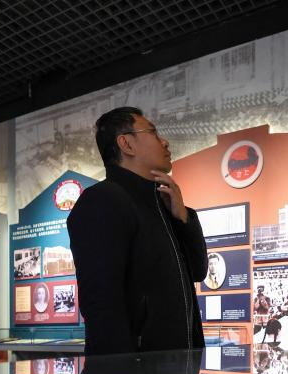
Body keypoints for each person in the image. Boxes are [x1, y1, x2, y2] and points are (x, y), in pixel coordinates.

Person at [67, 107, 208, 355]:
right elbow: (101, 305)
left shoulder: (162, 205)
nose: (164, 142)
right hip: (140, 372)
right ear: (126, 144)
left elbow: (198, 271)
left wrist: (184, 218)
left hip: (176, 366)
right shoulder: (103, 200)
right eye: (153, 133)